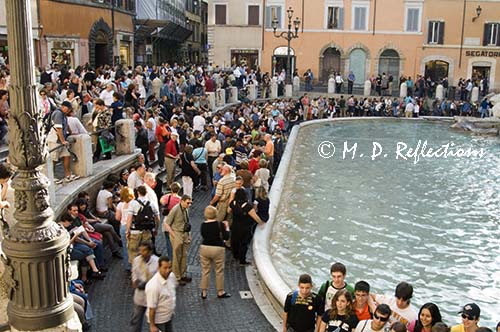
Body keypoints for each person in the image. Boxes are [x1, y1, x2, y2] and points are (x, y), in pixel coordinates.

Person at [199, 206, 231, 299]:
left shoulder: (203, 225)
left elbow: (203, 235)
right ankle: (220, 291)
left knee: (205, 270)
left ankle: (204, 292)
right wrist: (227, 228)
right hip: (217, 248)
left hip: (205, 247)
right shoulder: (220, 224)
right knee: (219, 270)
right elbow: (226, 237)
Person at [228, 188, 264, 265]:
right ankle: (242, 260)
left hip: (235, 226)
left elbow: (228, 211)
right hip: (245, 228)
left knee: (235, 241)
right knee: (244, 244)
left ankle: (236, 255)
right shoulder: (247, 207)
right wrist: (261, 223)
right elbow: (255, 217)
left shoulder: (233, 203)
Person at [163, 194, 193, 285]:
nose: (189, 205)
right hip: (177, 234)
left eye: (190, 203)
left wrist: (189, 234)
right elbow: (166, 223)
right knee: (176, 256)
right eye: (188, 203)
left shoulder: (185, 209)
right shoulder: (175, 209)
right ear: (182, 201)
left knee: (184, 255)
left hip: (184, 234)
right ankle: (177, 276)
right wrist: (173, 235)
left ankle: (182, 274)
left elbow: (186, 222)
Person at [126, 186, 160, 264]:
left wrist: (127, 231)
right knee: (146, 252)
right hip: (147, 231)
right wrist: (156, 229)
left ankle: (135, 271)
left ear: (138, 192)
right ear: (146, 193)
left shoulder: (133, 203)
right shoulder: (151, 203)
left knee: (133, 252)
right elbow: (157, 218)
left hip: (135, 232)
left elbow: (129, 219)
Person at [47, 100, 79, 184]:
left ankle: (67, 175)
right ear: (63, 107)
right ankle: (51, 177)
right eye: (68, 109)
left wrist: (71, 132)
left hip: (61, 140)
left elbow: (66, 125)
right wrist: (63, 141)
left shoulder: (63, 114)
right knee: (54, 159)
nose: (68, 111)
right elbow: (58, 128)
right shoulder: (58, 114)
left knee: (67, 156)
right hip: (54, 140)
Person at [130, 241, 159, 332]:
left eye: (144, 250)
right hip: (140, 295)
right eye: (141, 250)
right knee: (136, 319)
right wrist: (135, 283)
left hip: (153, 295)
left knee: (155, 320)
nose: (142, 253)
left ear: (150, 251)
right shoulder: (136, 260)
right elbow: (134, 274)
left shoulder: (157, 261)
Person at [145, 256, 177, 332]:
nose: (168, 270)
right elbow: (152, 308)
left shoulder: (171, 276)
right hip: (159, 321)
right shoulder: (153, 286)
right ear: (159, 268)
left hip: (168, 317)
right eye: (165, 268)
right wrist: (152, 326)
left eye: (169, 267)